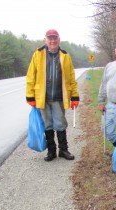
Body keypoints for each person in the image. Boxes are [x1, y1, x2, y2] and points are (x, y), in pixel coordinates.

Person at [26, 29, 79, 161]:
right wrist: (30, 96)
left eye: (55, 38)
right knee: (47, 125)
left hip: (59, 97)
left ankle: (63, 150)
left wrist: (75, 97)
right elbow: (30, 76)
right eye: (50, 38)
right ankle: (51, 151)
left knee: (60, 124)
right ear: (46, 40)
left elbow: (72, 78)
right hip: (42, 98)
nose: (52, 41)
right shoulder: (38, 54)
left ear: (59, 39)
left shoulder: (65, 56)